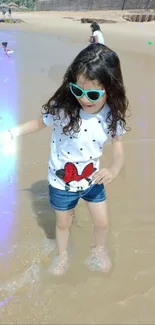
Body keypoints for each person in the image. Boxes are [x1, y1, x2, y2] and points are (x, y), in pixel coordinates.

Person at [0, 43, 129, 276]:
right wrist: (10, 133)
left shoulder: (112, 116)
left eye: (91, 94)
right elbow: (38, 124)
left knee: (102, 223)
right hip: (61, 182)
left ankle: (99, 251)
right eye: (77, 90)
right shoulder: (63, 109)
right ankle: (62, 256)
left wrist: (114, 168)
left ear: (110, 89)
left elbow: (119, 151)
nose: (83, 99)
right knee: (63, 223)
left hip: (93, 180)